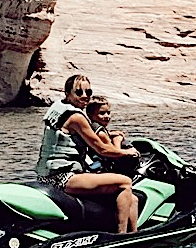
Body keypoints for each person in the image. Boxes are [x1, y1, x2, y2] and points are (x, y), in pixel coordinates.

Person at [36, 73, 139, 234]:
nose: (84, 96)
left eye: (88, 92)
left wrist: (110, 134)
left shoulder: (59, 107)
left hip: (47, 175)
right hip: (62, 177)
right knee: (125, 183)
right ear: (67, 93)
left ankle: (135, 234)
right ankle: (121, 236)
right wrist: (127, 153)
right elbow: (102, 149)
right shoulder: (76, 117)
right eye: (79, 92)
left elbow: (78, 134)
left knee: (132, 199)